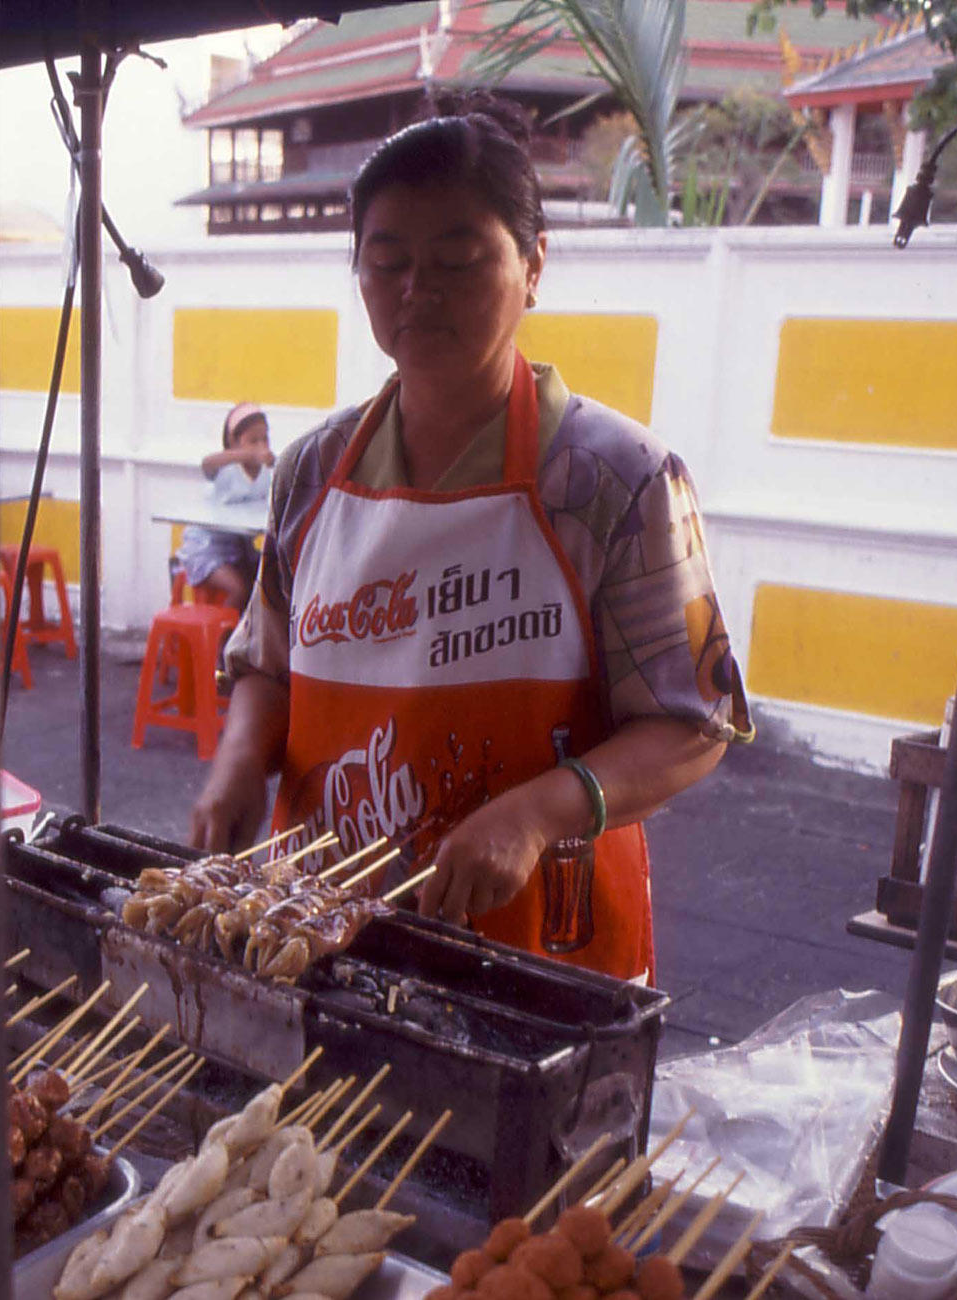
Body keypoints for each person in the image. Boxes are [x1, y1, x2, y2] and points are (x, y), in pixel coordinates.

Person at [188, 98, 752, 984]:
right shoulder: (310, 472)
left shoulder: (617, 478)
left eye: (458, 258)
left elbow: (694, 723)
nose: (420, 289)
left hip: (536, 957)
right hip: (325, 936)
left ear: (532, 266)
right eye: (388, 261)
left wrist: (536, 813)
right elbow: (268, 667)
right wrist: (235, 768)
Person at [175, 403, 275, 606]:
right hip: (205, 550)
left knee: (271, 576)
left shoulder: (264, 473)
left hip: (238, 549)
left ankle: (254, 631)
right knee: (240, 588)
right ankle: (227, 636)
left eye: (265, 439)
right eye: (253, 441)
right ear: (233, 442)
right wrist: (248, 455)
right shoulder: (224, 469)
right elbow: (207, 463)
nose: (261, 446)